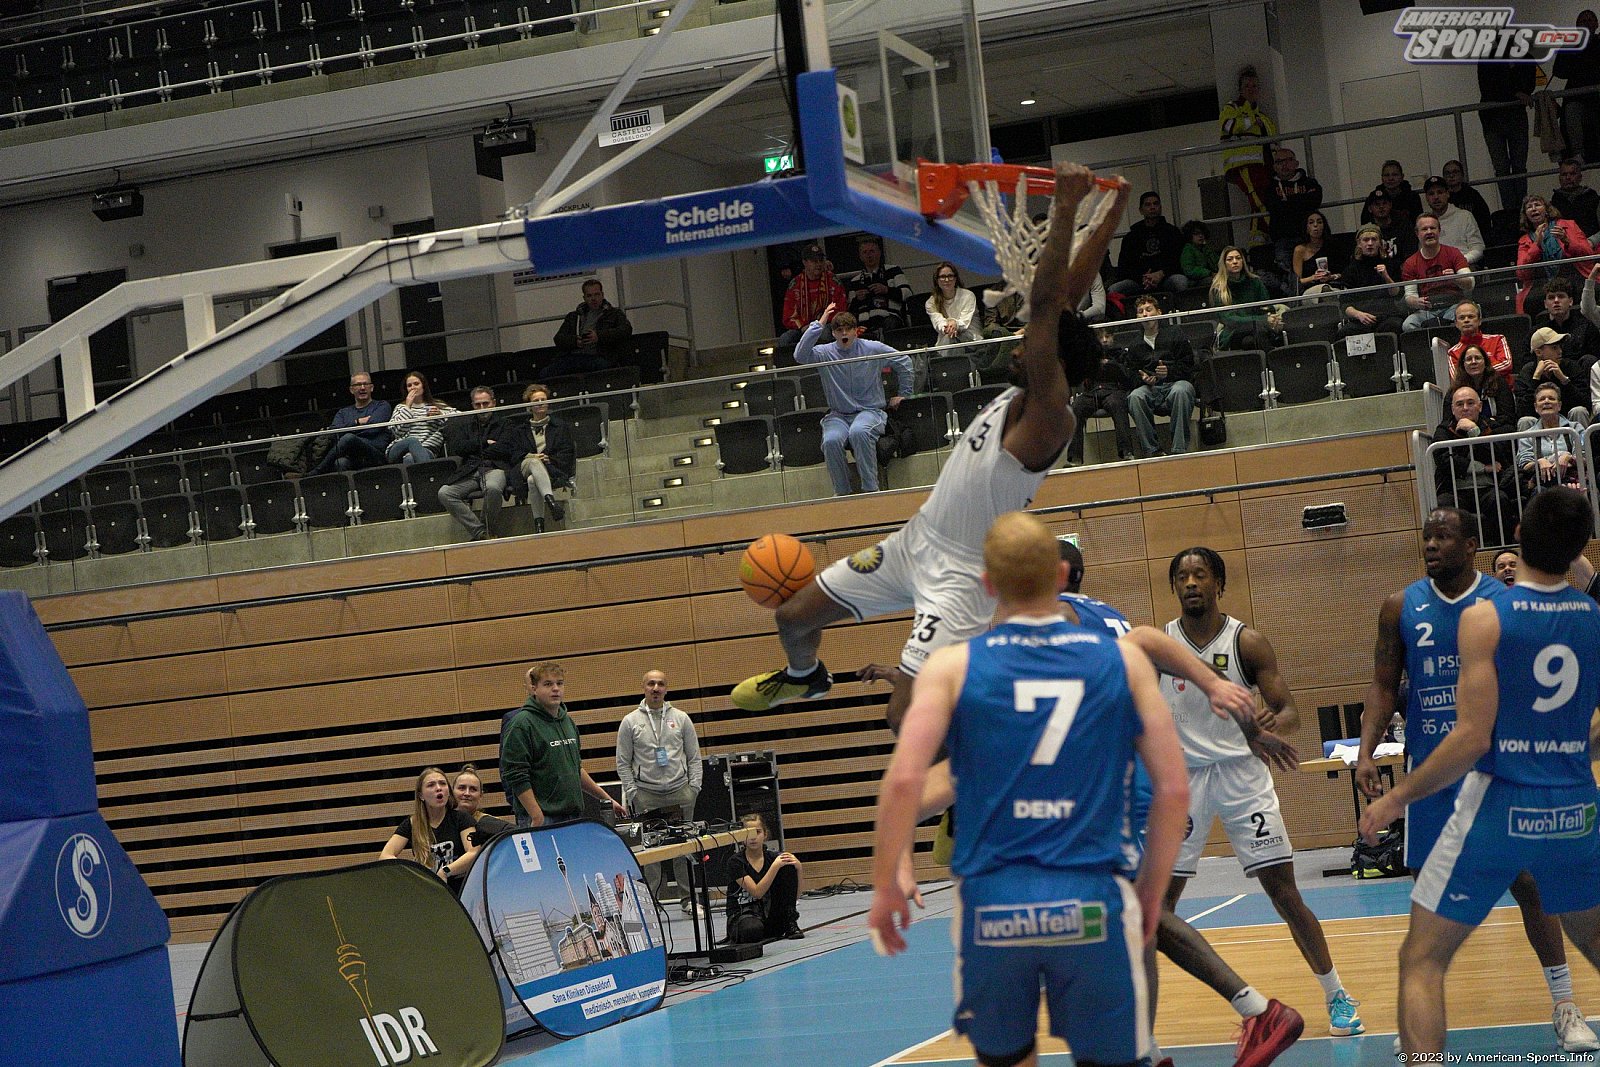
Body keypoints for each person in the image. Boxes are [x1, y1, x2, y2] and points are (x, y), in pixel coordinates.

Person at [730, 163, 1130, 733]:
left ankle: (973, 773)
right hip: (914, 542)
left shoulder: (1050, 411)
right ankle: (806, 676)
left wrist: (1066, 206)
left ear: (1053, 358)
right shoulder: (1033, 387)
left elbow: (1047, 304)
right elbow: (1062, 297)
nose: (1018, 344)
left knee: (904, 721)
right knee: (793, 617)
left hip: (960, 577)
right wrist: (1111, 211)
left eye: (1029, 341)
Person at [868, 511, 1192, 1067]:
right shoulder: (1123, 661)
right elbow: (1174, 789)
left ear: (987, 584)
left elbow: (903, 781)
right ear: (1062, 576)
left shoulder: (952, 666)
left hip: (992, 905)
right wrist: (1149, 895)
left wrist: (885, 884)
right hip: (1092, 898)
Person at [1358, 488, 1600, 1057]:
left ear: (1496, 541)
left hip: (1491, 788)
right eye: (1427, 536)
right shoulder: (1590, 616)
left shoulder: (1492, 612)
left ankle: (1558, 1005)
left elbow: (1472, 738)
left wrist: (1394, 799)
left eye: (1443, 536)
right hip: (1567, 798)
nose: (1432, 545)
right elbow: (1383, 685)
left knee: (1423, 956)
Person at [1055, 540, 1305, 1067]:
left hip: (1112, 783)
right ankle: (1145, 1050)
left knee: (1142, 910)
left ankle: (1259, 1010)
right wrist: (1212, 683)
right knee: (1140, 923)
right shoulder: (1109, 618)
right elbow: (1149, 643)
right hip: (1146, 774)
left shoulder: (1059, 621)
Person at [1162, 547, 1364, 1036]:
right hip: (1184, 781)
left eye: (1200, 575)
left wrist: (1274, 723)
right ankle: (1137, 1023)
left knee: (1284, 893)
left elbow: (1289, 710)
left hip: (1242, 776)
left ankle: (1337, 994)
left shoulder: (1246, 642)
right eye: (1183, 577)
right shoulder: (1161, 645)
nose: (1191, 583)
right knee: (1157, 908)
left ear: (1219, 584)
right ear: (1174, 587)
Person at [794, 305, 914, 496]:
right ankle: (842, 493)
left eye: (848, 329)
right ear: (833, 333)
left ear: (855, 331)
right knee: (831, 440)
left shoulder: (872, 348)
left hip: (870, 411)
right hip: (838, 415)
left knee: (859, 432)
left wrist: (904, 393)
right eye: (839, 330)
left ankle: (870, 490)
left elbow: (904, 361)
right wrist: (820, 323)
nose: (844, 334)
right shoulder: (824, 353)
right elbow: (800, 355)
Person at [615, 669, 703, 914]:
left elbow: (694, 757)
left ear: (666, 688)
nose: (656, 688)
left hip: (680, 792)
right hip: (646, 795)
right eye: (651, 683)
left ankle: (688, 900)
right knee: (651, 850)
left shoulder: (681, 718)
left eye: (660, 684)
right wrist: (633, 792)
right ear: (643, 687)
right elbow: (622, 762)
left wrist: (694, 788)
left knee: (684, 848)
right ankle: (651, 903)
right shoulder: (630, 721)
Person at [500, 662, 626, 827]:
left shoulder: (567, 722)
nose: (555, 689)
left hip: (572, 815)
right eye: (548, 684)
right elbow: (515, 775)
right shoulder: (521, 724)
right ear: (534, 688)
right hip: (542, 818)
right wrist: (536, 815)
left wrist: (606, 799)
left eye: (559, 683)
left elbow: (575, 769)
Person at [1432, 384, 1518, 547]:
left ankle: (1503, 548)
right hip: (1456, 489)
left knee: (1500, 500)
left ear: (1480, 406)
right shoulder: (1444, 430)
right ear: (1452, 409)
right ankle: (1453, 552)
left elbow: (1499, 454)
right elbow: (1444, 460)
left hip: (1488, 487)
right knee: (1444, 505)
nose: (1465, 408)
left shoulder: (1494, 426)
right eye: (1460, 404)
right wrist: (1482, 468)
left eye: (1470, 403)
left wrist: (1475, 432)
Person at [379, 766, 482, 895]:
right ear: (421, 795)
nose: (438, 788)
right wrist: (412, 873)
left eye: (442, 783)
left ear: (448, 791)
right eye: (431, 785)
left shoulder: (461, 818)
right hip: (427, 893)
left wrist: (445, 871)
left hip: (460, 892)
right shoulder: (412, 824)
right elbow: (385, 856)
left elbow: (474, 852)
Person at [1126, 294, 1198, 458]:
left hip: (1175, 383)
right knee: (1135, 397)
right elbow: (1131, 374)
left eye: (1148, 309)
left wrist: (1169, 372)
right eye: (1140, 311)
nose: (1145, 314)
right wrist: (1143, 380)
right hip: (1150, 389)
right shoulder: (1135, 344)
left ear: (1159, 312)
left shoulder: (1175, 334)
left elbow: (1188, 365)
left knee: (1182, 390)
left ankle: (1179, 449)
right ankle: (1152, 451)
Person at [438, 387, 510, 541]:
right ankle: (481, 533)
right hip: (470, 470)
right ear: (472, 405)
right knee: (445, 493)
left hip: (495, 468)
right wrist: (485, 443)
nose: (482, 408)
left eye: (485, 403)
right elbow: (458, 448)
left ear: (494, 403)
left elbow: (504, 449)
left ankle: (486, 530)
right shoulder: (465, 424)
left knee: (493, 488)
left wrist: (475, 447)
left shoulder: (505, 423)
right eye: (478, 404)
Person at [1219, 66, 1277, 248]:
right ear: (1240, 89)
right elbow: (1227, 126)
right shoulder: (1232, 108)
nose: (1251, 89)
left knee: (1260, 202)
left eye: (1254, 86)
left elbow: (1273, 141)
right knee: (1261, 203)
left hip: (1264, 167)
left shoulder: (1263, 116)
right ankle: (1277, 232)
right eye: (1247, 86)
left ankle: (1257, 241)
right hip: (1243, 166)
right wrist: (1251, 121)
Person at [726, 813, 803, 944]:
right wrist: (775, 867)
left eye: (757, 832)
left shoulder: (774, 858)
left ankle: (790, 921)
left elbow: (795, 896)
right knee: (752, 930)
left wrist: (799, 867)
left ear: (765, 834)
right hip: (743, 914)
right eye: (748, 833)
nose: (753, 837)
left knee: (788, 864)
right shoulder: (736, 862)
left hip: (769, 913)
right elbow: (757, 892)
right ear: (741, 837)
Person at [1066, 331, 1136, 465]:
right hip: (1091, 392)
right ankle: (1074, 457)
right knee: (1076, 407)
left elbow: (1128, 378)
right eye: (1100, 337)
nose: (1104, 340)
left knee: (1117, 404)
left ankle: (1126, 452)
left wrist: (1111, 364)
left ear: (1113, 338)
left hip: (1113, 390)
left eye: (1107, 337)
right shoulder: (1088, 356)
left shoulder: (1121, 354)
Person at [1517, 194, 1596, 314]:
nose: (1533, 209)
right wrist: (1536, 244)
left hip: (1574, 277)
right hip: (1542, 285)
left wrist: (1566, 240)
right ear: (1526, 215)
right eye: (1529, 207)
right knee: (1531, 303)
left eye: (1537, 205)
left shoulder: (1568, 225)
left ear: (1547, 210)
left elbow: (1588, 255)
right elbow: (1522, 273)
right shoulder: (1524, 240)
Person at [515, 384, 575, 534]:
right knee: (534, 462)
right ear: (529, 406)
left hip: (549, 467)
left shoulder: (560, 426)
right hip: (525, 465)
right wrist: (532, 456)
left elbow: (567, 451)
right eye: (536, 401)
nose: (541, 403)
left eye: (543, 400)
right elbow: (515, 452)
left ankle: (539, 525)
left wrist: (550, 459)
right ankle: (552, 503)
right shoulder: (520, 429)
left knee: (532, 481)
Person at [1479, 59, 1537, 211]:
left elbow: (1529, 85)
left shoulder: (1524, 56)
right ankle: (1512, 210)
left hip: (1506, 115)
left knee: (1514, 167)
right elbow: (1488, 86)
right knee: (1505, 168)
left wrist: (1514, 91)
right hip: (1496, 117)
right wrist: (1515, 93)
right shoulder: (1489, 56)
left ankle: (1518, 209)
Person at [308, 372, 393, 475]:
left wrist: (348, 433)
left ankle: (317, 471)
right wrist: (358, 422)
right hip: (351, 456)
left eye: (365, 384)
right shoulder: (343, 413)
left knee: (349, 438)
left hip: (376, 454)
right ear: (351, 390)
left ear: (371, 388)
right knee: (340, 462)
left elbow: (373, 429)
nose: (362, 388)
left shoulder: (382, 406)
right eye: (358, 385)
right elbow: (334, 433)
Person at [1401, 214, 1474, 331]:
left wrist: (1455, 278)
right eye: (1424, 229)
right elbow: (1410, 296)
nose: (1429, 232)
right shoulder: (1410, 263)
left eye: (1433, 228)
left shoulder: (1454, 253)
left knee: (1468, 316)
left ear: (1439, 231)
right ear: (1417, 233)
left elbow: (1470, 283)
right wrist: (1416, 302)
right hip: (1427, 311)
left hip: (1454, 306)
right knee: (1408, 324)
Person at [550, 278, 633, 377]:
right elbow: (558, 338)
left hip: (601, 355)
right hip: (574, 356)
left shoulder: (614, 314)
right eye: (589, 296)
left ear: (602, 295)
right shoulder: (573, 316)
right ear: (584, 298)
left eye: (596, 294)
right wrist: (575, 341)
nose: (593, 298)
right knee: (546, 372)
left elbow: (626, 330)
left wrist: (599, 336)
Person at [1111, 191, 1189, 297]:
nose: (1152, 207)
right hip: (1139, 281)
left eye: (1155, 204)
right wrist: (1144, 278)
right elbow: (1124, 266)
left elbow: (1179, 261)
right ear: (1141, 210)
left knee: (1180, 282)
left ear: (1160, 207)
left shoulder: (1172, 232)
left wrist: (1161, 273)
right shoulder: (1132, 236)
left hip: (1166, 278)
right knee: (1114, 290)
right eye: (1148, 205)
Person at [1516, 382, 1584, 495]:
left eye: (1551, 398)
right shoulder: (1527, 434)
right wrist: (1539, 462)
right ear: (1536, 407)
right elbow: (1524, 464)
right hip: (1541, 484)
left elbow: (1585, 457)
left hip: (1573, 479)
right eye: (1542, 399)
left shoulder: (1576, 428)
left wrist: (1569, 458)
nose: (1546, 401)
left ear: (1559, 405)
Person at [1210, 246, 1282, 351]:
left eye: (1238, 258)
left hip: (1258, 331)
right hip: (1233, 332)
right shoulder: (1219, 288)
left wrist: (1267, 318)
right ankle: (1273, 358)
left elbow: (1267, 308)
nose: (1235, 262)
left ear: (1243, 261)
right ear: (1224, 264)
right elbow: (1229, 320)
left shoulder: (1255, 282)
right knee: (1256, 331)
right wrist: (1261, 320)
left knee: (1250, 341)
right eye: (1230, 259)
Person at [1339, 224, 1404, 337]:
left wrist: (1386, 276)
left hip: (1387, 316)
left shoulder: (1391, 264)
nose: (1370, 243)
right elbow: (1345, 304)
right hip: (1361, 318)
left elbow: (1397, 294)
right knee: (1345, 332)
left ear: (1380, 243)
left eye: (1374, 239)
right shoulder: (1351, 270)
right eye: (1366, 240)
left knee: (1395, 325)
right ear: (1359, 243)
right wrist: (1359, 315)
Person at [1266, 148, 1323, 273]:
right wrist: (1301, 201)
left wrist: (1286, 203)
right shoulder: (1270, 187)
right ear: (1274, 167)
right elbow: (1274, 207)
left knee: (1315, 271)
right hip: (1283, 238)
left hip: (1309, 237)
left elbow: (1314, 201)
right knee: (1287, 274)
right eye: (1279, 162)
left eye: (1288, 160)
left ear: (1296, 163)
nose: (1284, 165)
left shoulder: (1309, 182)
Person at [1514, 327, 1588, 421]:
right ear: (1538, 352)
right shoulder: (1527, 372)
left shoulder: (1571, 366)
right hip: (1538, 423)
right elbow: (1522, 411)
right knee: (1525, 420)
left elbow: (1585, 403)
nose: (1560, 351)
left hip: (1568, 421)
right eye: (1554, 348)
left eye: (1560, 347)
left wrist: (1564, 380)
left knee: (1579, 411)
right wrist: (1535, 378)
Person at [779, 244, 846, 346]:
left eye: (820, 260)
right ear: (804, 262)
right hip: (803, 327)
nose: (818, 264)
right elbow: (788, 316)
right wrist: (802, 326)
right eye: (814, 261)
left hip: (827, 325)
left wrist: (819, 324)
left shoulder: (833, 281)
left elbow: (840, 310)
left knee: (824, 334)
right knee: (785, 339)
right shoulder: (795, 284)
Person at [843, 235, 912, 335]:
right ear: (861, 257)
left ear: (879, 253)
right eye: (865, 252)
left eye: (872, 251)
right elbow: (849, 310)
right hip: (863, 323)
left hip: (890, 318)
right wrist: (857, 300)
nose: (869, 255)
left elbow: (908, 294)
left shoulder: (893, 270)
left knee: (890, 323)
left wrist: (887, 290)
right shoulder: (855, 281)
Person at [1556, 16, 1600, 164]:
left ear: (1597, 24)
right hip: (1576, 98)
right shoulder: (1570, 45)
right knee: (1572, 112)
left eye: (1590, 20)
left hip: (1596, 98)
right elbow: (1559, 71)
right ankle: (1578, 153)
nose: (1587, 23)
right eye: (1583, 21)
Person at [385, 371, 452, 465]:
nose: (413, 387)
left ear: (423, 386)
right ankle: (430, 471)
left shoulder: (437, 405)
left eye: (416, 384)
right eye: (409, 385)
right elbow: (396, 432)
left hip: (427, 449)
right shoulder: (401, 407)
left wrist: (440, 414)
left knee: (409, 459)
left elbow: (458, 418)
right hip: (399, 448)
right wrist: (407, 407)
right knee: (413, 441)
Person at [1533, 277, 1600, 368]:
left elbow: (1596, 361)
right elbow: (1528, 361)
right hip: (1548, 373)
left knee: (1589, 360)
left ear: (1570, 301)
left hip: (1581, 375)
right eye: (1551, 297)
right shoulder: (1537, 332)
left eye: (1561, 296)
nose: (1556, 301)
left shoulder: (1586, 327)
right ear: (1545, 304)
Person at [1445, 301, 1515, 388]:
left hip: (1502, 390)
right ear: (1456, 323)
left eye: (1471, 316)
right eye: (1462, 318)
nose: (1466, 320)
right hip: (1472, 393)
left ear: (1479, 321)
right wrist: (1486, 369)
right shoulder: (1452, 353)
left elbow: (1506, 365)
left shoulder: (1497, 339)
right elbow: (1458, 379)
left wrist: (1475, 372)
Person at [1451, 344, 1517, 436]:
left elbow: (1508, 418)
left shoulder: (1499, 384)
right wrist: (1490, 420)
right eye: (1469, 359)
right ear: (1463, 364)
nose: (1473, 362)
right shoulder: (1455, 389)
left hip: (1494, 433)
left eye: (1477, 358)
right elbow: (1448, 420)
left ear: (1485, 362)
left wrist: (1478, 426)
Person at [1423, 175, 1486, 266]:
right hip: (1436, 269)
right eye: (1431, 194)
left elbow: (1478, 247)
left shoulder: (1465, 216)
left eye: (1440, 192)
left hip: (1465, 266)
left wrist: (1461, 261)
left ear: (1447, 194)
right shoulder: (1424, 223)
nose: (1436, 197)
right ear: (1426, 198)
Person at [451, 763, 514, 844]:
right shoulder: (443, 821)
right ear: (452, 792)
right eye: (462, 788)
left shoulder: (490, 824)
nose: (467, 793)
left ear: (480, 795)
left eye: (473, 789)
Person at [1360, 160, 1425, 233]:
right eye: (1386, 175)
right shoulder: (1373, 198)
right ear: (1382, 178)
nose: (1390, 178)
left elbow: (1419, 222)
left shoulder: (1412, 197)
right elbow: (1365, 223)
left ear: (1402, 176)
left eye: (1395, 175)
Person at [926, 262, 981, 348]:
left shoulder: (968, 296)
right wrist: (948, 328)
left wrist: (955, 323)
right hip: (947, 340)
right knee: (950, 337)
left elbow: (964, 321)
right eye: (942, 277)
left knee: (952, 337)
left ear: (955, 278)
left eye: (950, 276)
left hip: (971, 339)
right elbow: (938, 322)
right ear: (937, 280)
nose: (947, 280)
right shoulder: (931, 303)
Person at [1291, 211, 1341, 296]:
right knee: (1324, 289)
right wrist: (1314, 277)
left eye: (1319, 222)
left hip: (1333, 286)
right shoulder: (1299, 250)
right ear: (1306, 227)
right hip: (1310, 290)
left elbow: (1343, 273)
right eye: (1311, 222)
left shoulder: (1332, 246)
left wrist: (1331, 277)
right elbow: (1297, 281)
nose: (1315, 225)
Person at [1444, 159, 1496, 237]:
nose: (1451, 176)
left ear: (1462, 175)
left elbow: (1484, 220)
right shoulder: (1442, 198)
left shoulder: (1473, 195)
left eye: (1455, 172)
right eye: (1447, 173)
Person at [1364, 188, 1418, 262]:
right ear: (1370, 209)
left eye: (1384, 203)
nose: (1381, 207)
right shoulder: (1366, 231)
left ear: (1390, 205)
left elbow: (1411, 251)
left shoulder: (1404, 225)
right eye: (1377, 204)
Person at [1552, 159, 1600, 239]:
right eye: (1564, 174)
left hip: (1590, 242)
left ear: (1580, 177)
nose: (1568, 177)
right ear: (1559, 178)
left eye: (1572, 174)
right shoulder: (1555, 201)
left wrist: (1592, 241)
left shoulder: (1592, 197)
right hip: (1565, 243)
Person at [1180, 220, 1220, 286]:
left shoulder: (1206, 248)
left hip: (1209, 275)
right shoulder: (1188, 249)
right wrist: (1209, 273)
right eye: (1196, 234)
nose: (1201, 236)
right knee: (1214, 281)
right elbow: (1189, 270)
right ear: (1190, 235)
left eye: (1202, 233)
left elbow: (1217, 262)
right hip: (1195, 280)